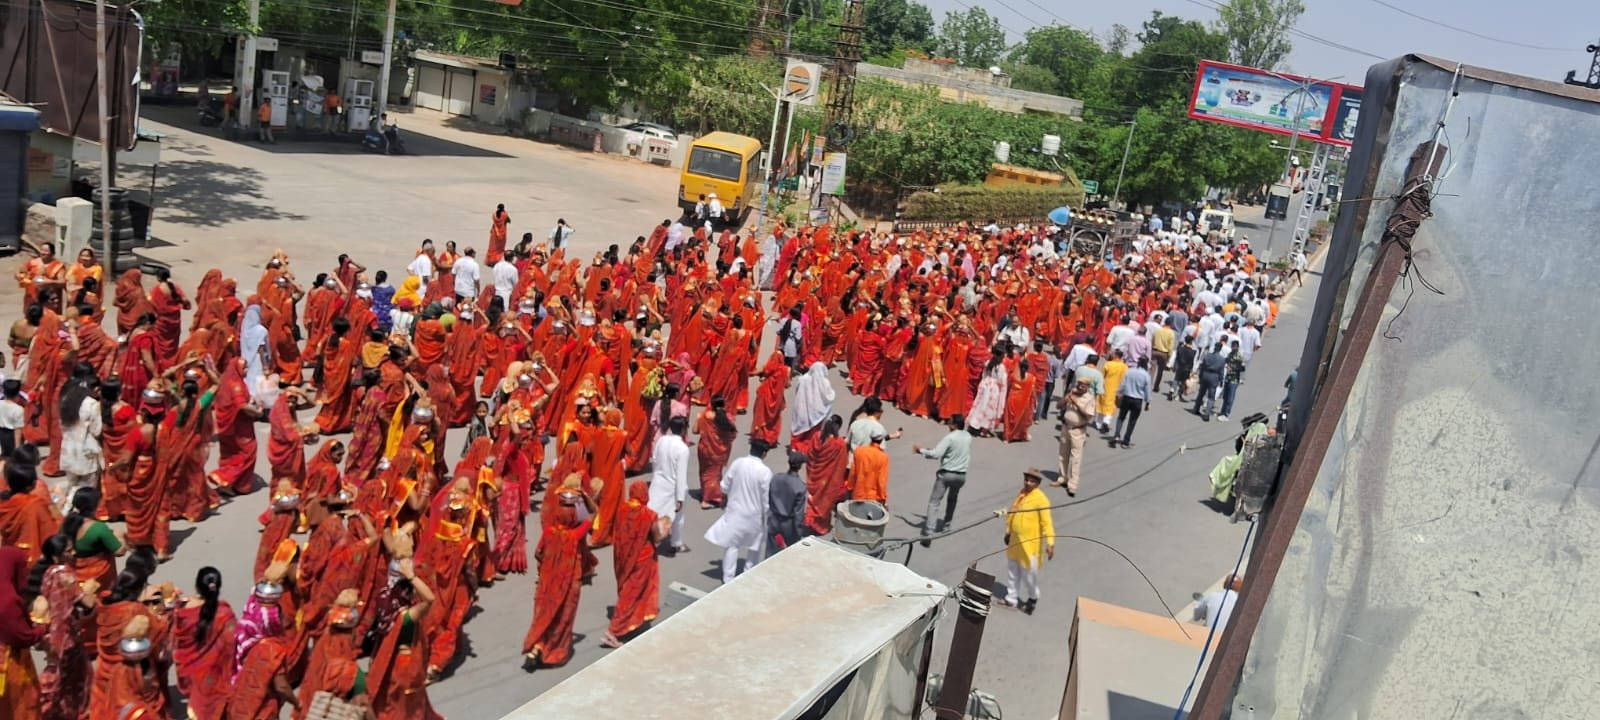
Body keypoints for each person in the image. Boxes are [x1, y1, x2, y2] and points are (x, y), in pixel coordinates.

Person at [522, 489, 589, 668]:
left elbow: (538, 553)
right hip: (567, 584)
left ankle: (535, 647)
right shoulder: (574, 536)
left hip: (547, 581)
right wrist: (583, 499)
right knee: (561, 618)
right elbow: (592, 516)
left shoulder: (549, 532)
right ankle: (551, 652)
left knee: (543, 615)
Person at [34, 534, 95, 720]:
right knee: (72, 676)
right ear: (56, 556)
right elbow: (88, 602)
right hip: (67, 634)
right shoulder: (66, 576)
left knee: (65, 672)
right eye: (68, 551)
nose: (74, 553)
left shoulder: (48, 573)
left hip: (52, 632)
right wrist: (91, 589)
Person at [602, 481, 660, 648]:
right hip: (642, 559)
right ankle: (613, 631)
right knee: (631, 593)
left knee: (627, 588)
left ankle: (631, 619)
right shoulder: (649, 514)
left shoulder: (621, 508)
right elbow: (656, 537)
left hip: (622, 555)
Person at [173, 567, 236, 720]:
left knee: (198, 705)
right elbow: (232, 642)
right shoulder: (224, 613)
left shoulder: (181, 610)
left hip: (192, 671)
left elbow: (176, 638)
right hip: (216, 671)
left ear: (197, 586)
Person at [704, 447, 773, 585]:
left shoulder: (738, 463)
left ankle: (728, 578)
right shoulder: (765, 472)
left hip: (735, 512)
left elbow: (724, 486)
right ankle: (749, 574)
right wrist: (769, 515)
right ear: (764, 453)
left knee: (732, 546)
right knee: (754, 546)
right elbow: (766, 500)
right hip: (754, 517)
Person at [0, 546, 48, 718]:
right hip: (8, 662)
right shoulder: (7, 601)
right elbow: (22, 637)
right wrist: (42, 628)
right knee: (20, 703)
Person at [998, 469, 1054, 614]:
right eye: (1027, 480)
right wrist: (1008, 532)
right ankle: (1011, 599)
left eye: (1032, 481)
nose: (1028, 483)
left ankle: (1033, 598)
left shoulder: (1041, 499)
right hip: (1015, 542)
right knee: (1012, 572)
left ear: (1038, 483)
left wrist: (1050, 543)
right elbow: (1013, 513)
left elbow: (1047, 523)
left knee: (1029, 576)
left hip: (1029, 546)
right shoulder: (1021, 494)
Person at [913, 414, 971, 538]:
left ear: (954, 425)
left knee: (934, 502)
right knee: (952, 500)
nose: (948, 425)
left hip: (947, 474)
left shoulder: (950, 438)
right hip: (961, 476)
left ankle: (929, 531)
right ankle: (947, 526)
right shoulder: (968, 436)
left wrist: (921, 450)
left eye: (950, 422)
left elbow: (936, 454)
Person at [648, 415, 690, 553]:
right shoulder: (683, 449)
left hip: (658, 482)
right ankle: (675, 543)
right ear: (684, 430)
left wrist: (656, 476)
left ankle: (650, 537)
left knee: (652, 512)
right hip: (673, 487)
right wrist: (680, 498)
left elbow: (654, 460)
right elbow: (681, 474)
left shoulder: (661, 440)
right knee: (677, 517)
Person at [0, 462, 56, 565]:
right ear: (31, 486)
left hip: (9, 552)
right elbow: (49, 531)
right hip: (30, 557)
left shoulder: (4, 502)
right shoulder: (36, 504)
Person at [694, 397, 737, 509]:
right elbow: (732, 434)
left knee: (705, 471)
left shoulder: (703, 415)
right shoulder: (727, 417)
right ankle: (708, 499)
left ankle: (705, 491)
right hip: (720, 450)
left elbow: (695, 430)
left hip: (704, 448)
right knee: (714, 473)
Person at [767, 450, 808, 552]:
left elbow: (769, 497)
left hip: (773, 519)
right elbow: (798, 514)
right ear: (800, 467)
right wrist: (799, 532)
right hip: (788, 524)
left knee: (771, 550)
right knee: (790, 552)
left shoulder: (776, 478)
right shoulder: (800, 487)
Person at [789, 361, 834, 455]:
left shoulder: (803, 379)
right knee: (813, 434)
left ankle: (795, 447)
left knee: (799, 429)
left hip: (802, 409)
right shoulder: (825, 382)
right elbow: (830, 396)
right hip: (817, 413)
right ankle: (809, 449)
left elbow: (797, 390)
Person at [1112, 358, 1152, 448]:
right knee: (1132, 421)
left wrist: (1118, 393)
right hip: (1138, 400)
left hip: (1127, 397)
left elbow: (1123, 384)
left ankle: (1117, 435)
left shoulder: (1130, 371)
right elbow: (1147, 390)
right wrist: (1148, 402)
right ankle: (1126, 441)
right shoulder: (1146, 375)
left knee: (1121, 417)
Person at [848, 430, 889, 504]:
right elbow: (881, 480)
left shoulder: (859, 451)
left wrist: (849, 487)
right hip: (873, 496)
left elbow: (853, 472)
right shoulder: (883, 457)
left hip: (858, 493)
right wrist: (883, 497)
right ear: (881, 441)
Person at [1194, 341, 1227, 421]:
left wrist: (1200, 375)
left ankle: (1196, 408)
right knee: (1211, 397)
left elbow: (1202, 366)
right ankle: (1207, 414)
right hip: (1214, 377)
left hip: (1206, 374)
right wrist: (1221, 380)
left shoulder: (1207, 356)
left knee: (1201, 393)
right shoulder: (1222, 359)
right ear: (1220, 349)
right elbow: (1221, 371)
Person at [1220, 340, 1246, 421]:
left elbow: (1242, 368)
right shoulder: (1230, 354)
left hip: (1234, 380)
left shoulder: (1239, 356)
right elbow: (1226, 361)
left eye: (1235, 346)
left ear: (1237, 347)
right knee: (1225, 396)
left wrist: (1233, 368)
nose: (1233, 348)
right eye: (1232, 346)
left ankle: (1226, 414)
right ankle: (1222, 412)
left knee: (1230, 398)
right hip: (1228, 378)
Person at [0, 380, 24, 457]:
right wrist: (17, 448)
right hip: (10, 436)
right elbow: (18, 430)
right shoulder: (18, 409)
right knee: (11, 459)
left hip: (1, 433)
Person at [1170, 335, 1197, 402]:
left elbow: (1177, 358)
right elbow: (1192, 362)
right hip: (1187, 369)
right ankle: (1178, 395)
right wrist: (1192, 370)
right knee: (1183, 382)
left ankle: (1172, 389)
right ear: (1191, 342)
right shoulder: (1193, 352)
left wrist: (1175, 366)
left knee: (1176, 379)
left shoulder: (1180, 349)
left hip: (1180, 366)